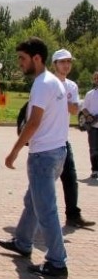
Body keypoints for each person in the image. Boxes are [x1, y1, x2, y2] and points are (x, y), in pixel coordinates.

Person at [0, 37, 69, 279]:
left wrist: (15, 150)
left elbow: (34, 122)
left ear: (36, 58)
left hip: (43, 156)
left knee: (46, 209)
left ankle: (57, 262)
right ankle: (23, 242)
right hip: (58, 152)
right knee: (33, 201)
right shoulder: (55, 82)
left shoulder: (41, 84)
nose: (20, 63)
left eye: (22, 59)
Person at [50, 49, 95, 228]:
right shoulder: (47, 82)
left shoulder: (72, 86)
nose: (66, 65)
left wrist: (62, 102)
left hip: (63, 139)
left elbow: (75, 109)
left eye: (69, 61)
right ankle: (35, 215)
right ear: (55, 64)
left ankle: (73, 215)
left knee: (70, 177)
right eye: (62, 62)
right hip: (47, 140)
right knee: (43, 181)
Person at [80, 70, 98, 180]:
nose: (97, 80)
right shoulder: (90, 94)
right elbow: (84, 108)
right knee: (94, 149)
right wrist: (89, 116)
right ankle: (95, 170)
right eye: (95, 78)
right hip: (93, 126)